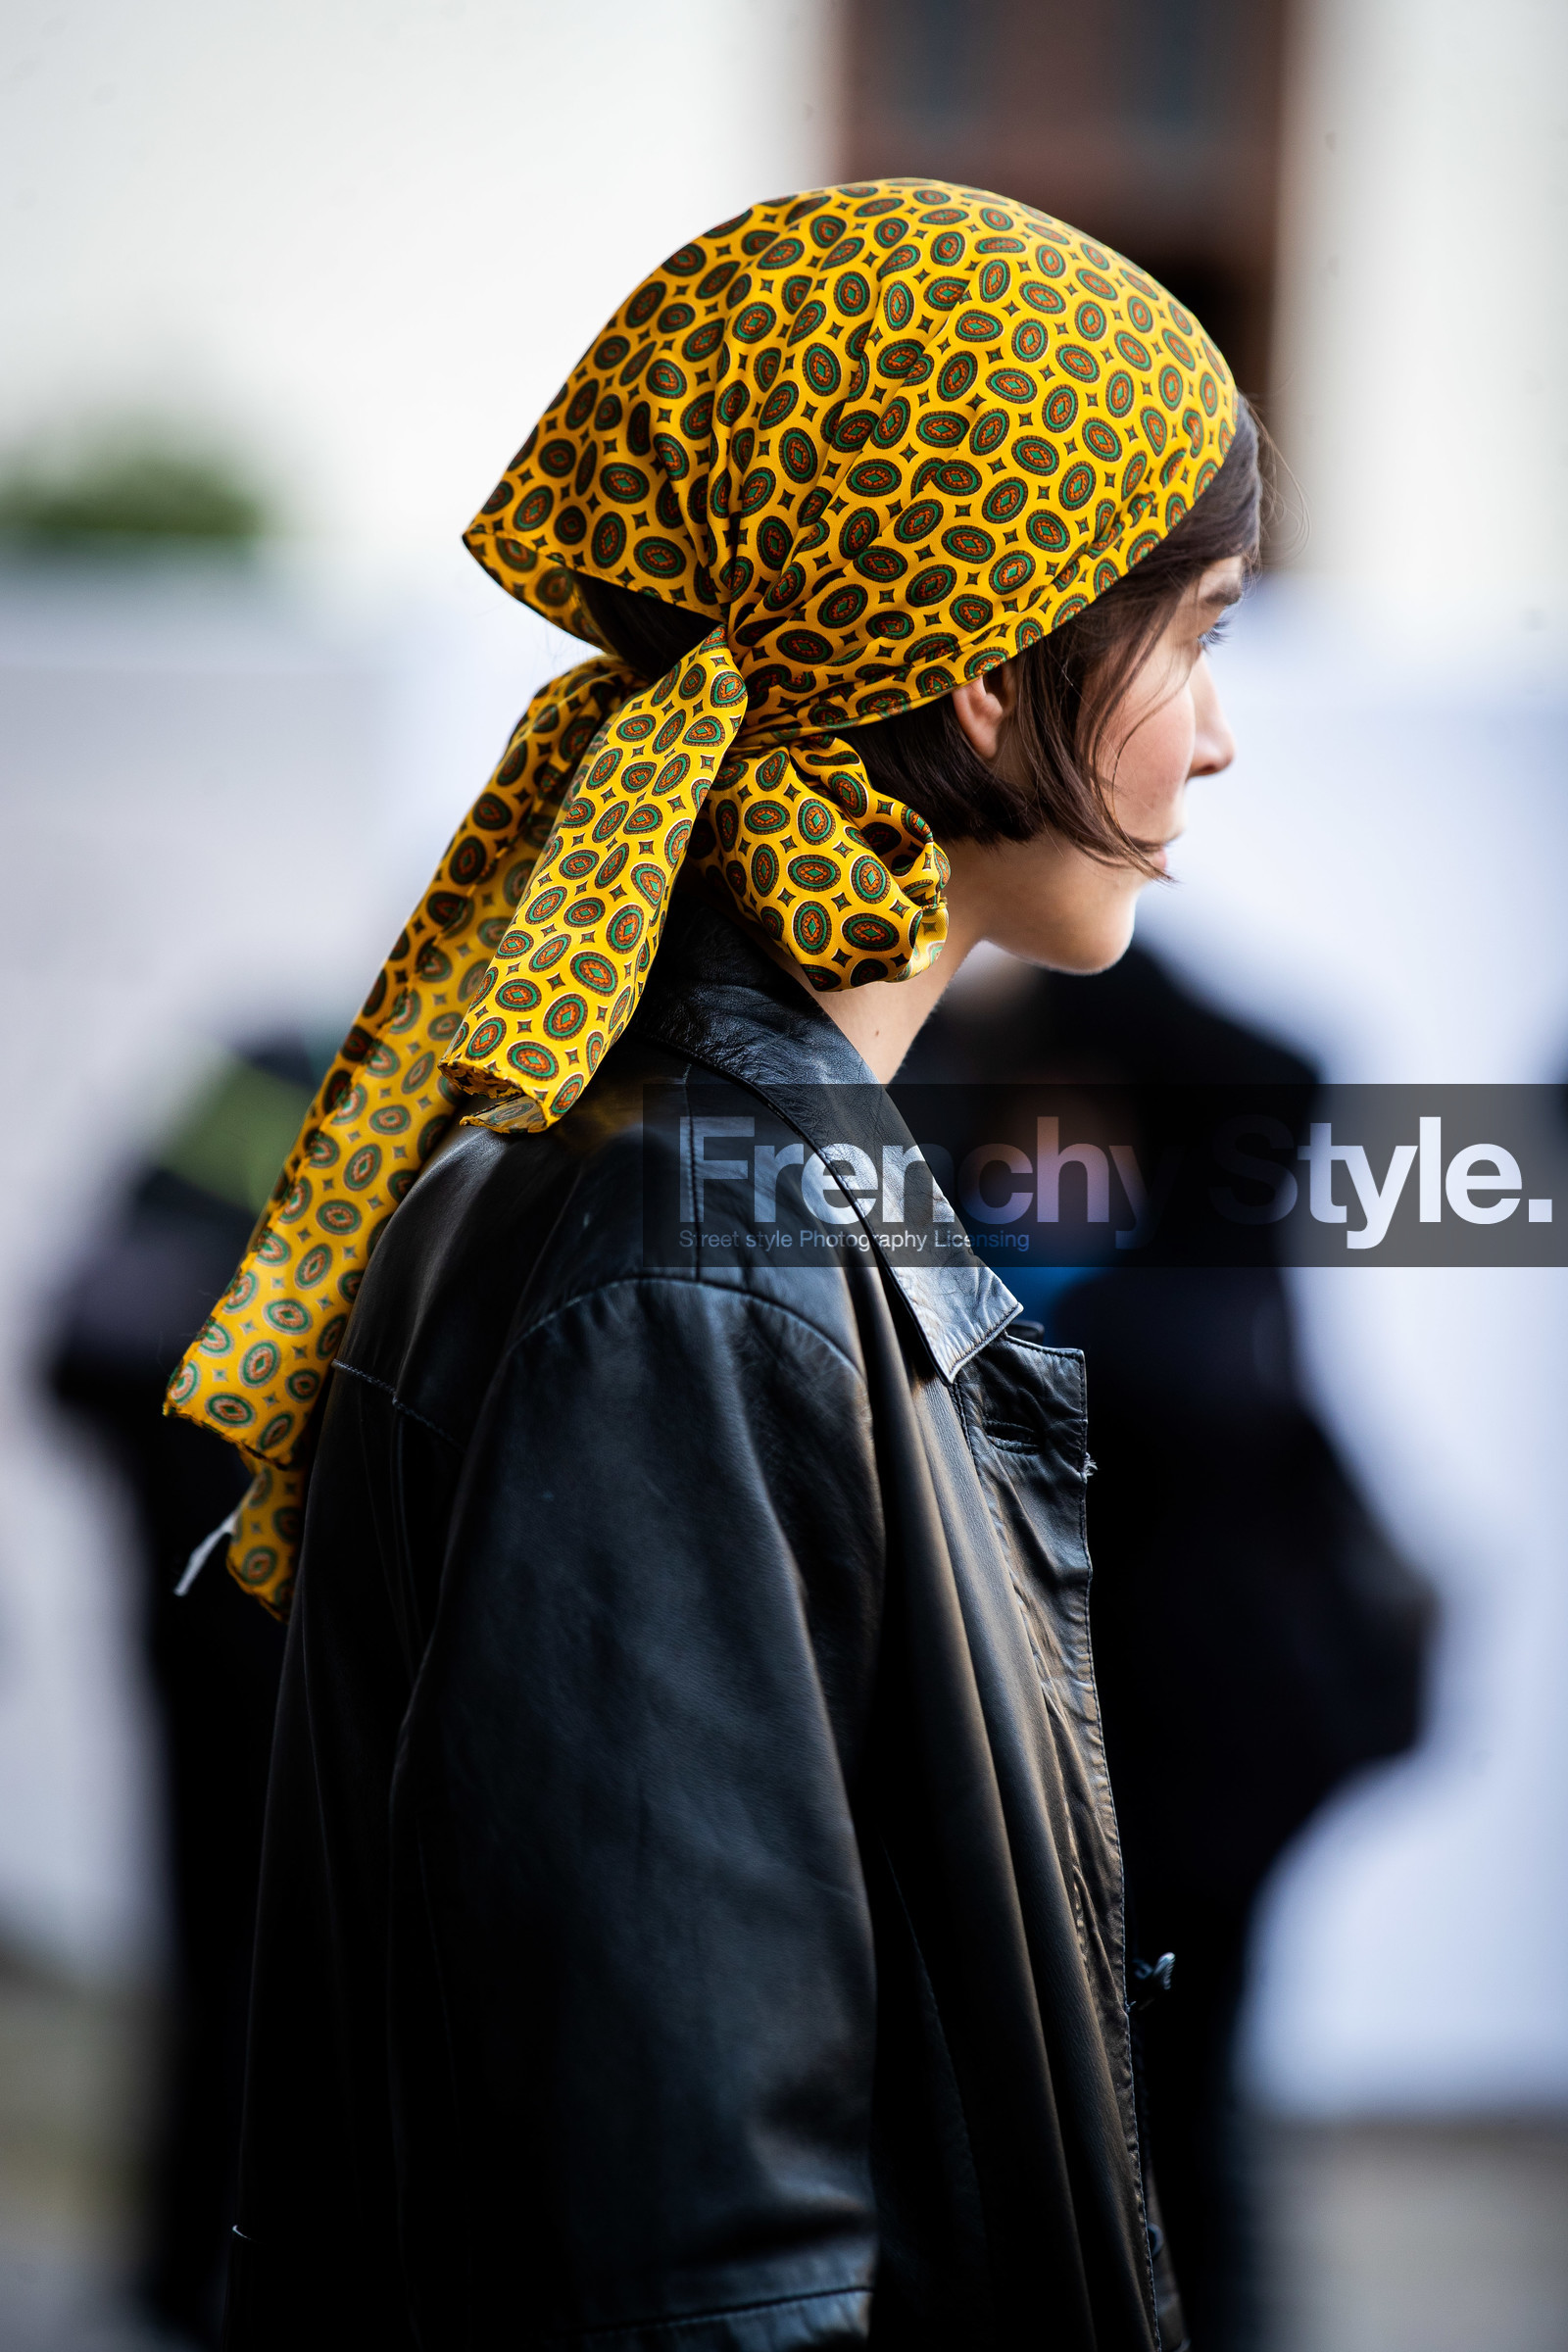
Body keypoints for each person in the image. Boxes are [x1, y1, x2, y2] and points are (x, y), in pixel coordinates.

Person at [171, 179, 1261, 2349]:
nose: (1216, 733)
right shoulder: (690, 1263)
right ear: (981, 667)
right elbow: (696, 2265)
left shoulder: (694, 1172)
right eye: (1196, 632)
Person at [903, 948, 1434, 2350]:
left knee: (1177, 2116)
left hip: (1208, 1738)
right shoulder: (953, 1171)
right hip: (1062, 1728)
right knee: (1084, 2123)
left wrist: (1048, 963)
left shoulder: (1200, 1212)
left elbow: (1282, 1063)